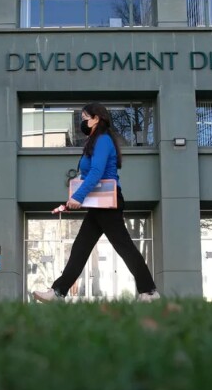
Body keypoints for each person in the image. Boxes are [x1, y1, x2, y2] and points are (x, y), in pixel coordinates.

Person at [34, 103, 161, 303]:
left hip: (108, 203)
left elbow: (96, 173)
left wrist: (78, 197)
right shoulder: (94, 141)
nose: (82, 121)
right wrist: (75, 198)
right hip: (99, 204)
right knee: (81, 247)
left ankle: (150, 292)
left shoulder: (103, 140)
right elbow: (87, 175)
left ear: (97, 118)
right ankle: (58, 291)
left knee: (123, 246)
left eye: (85, 117)